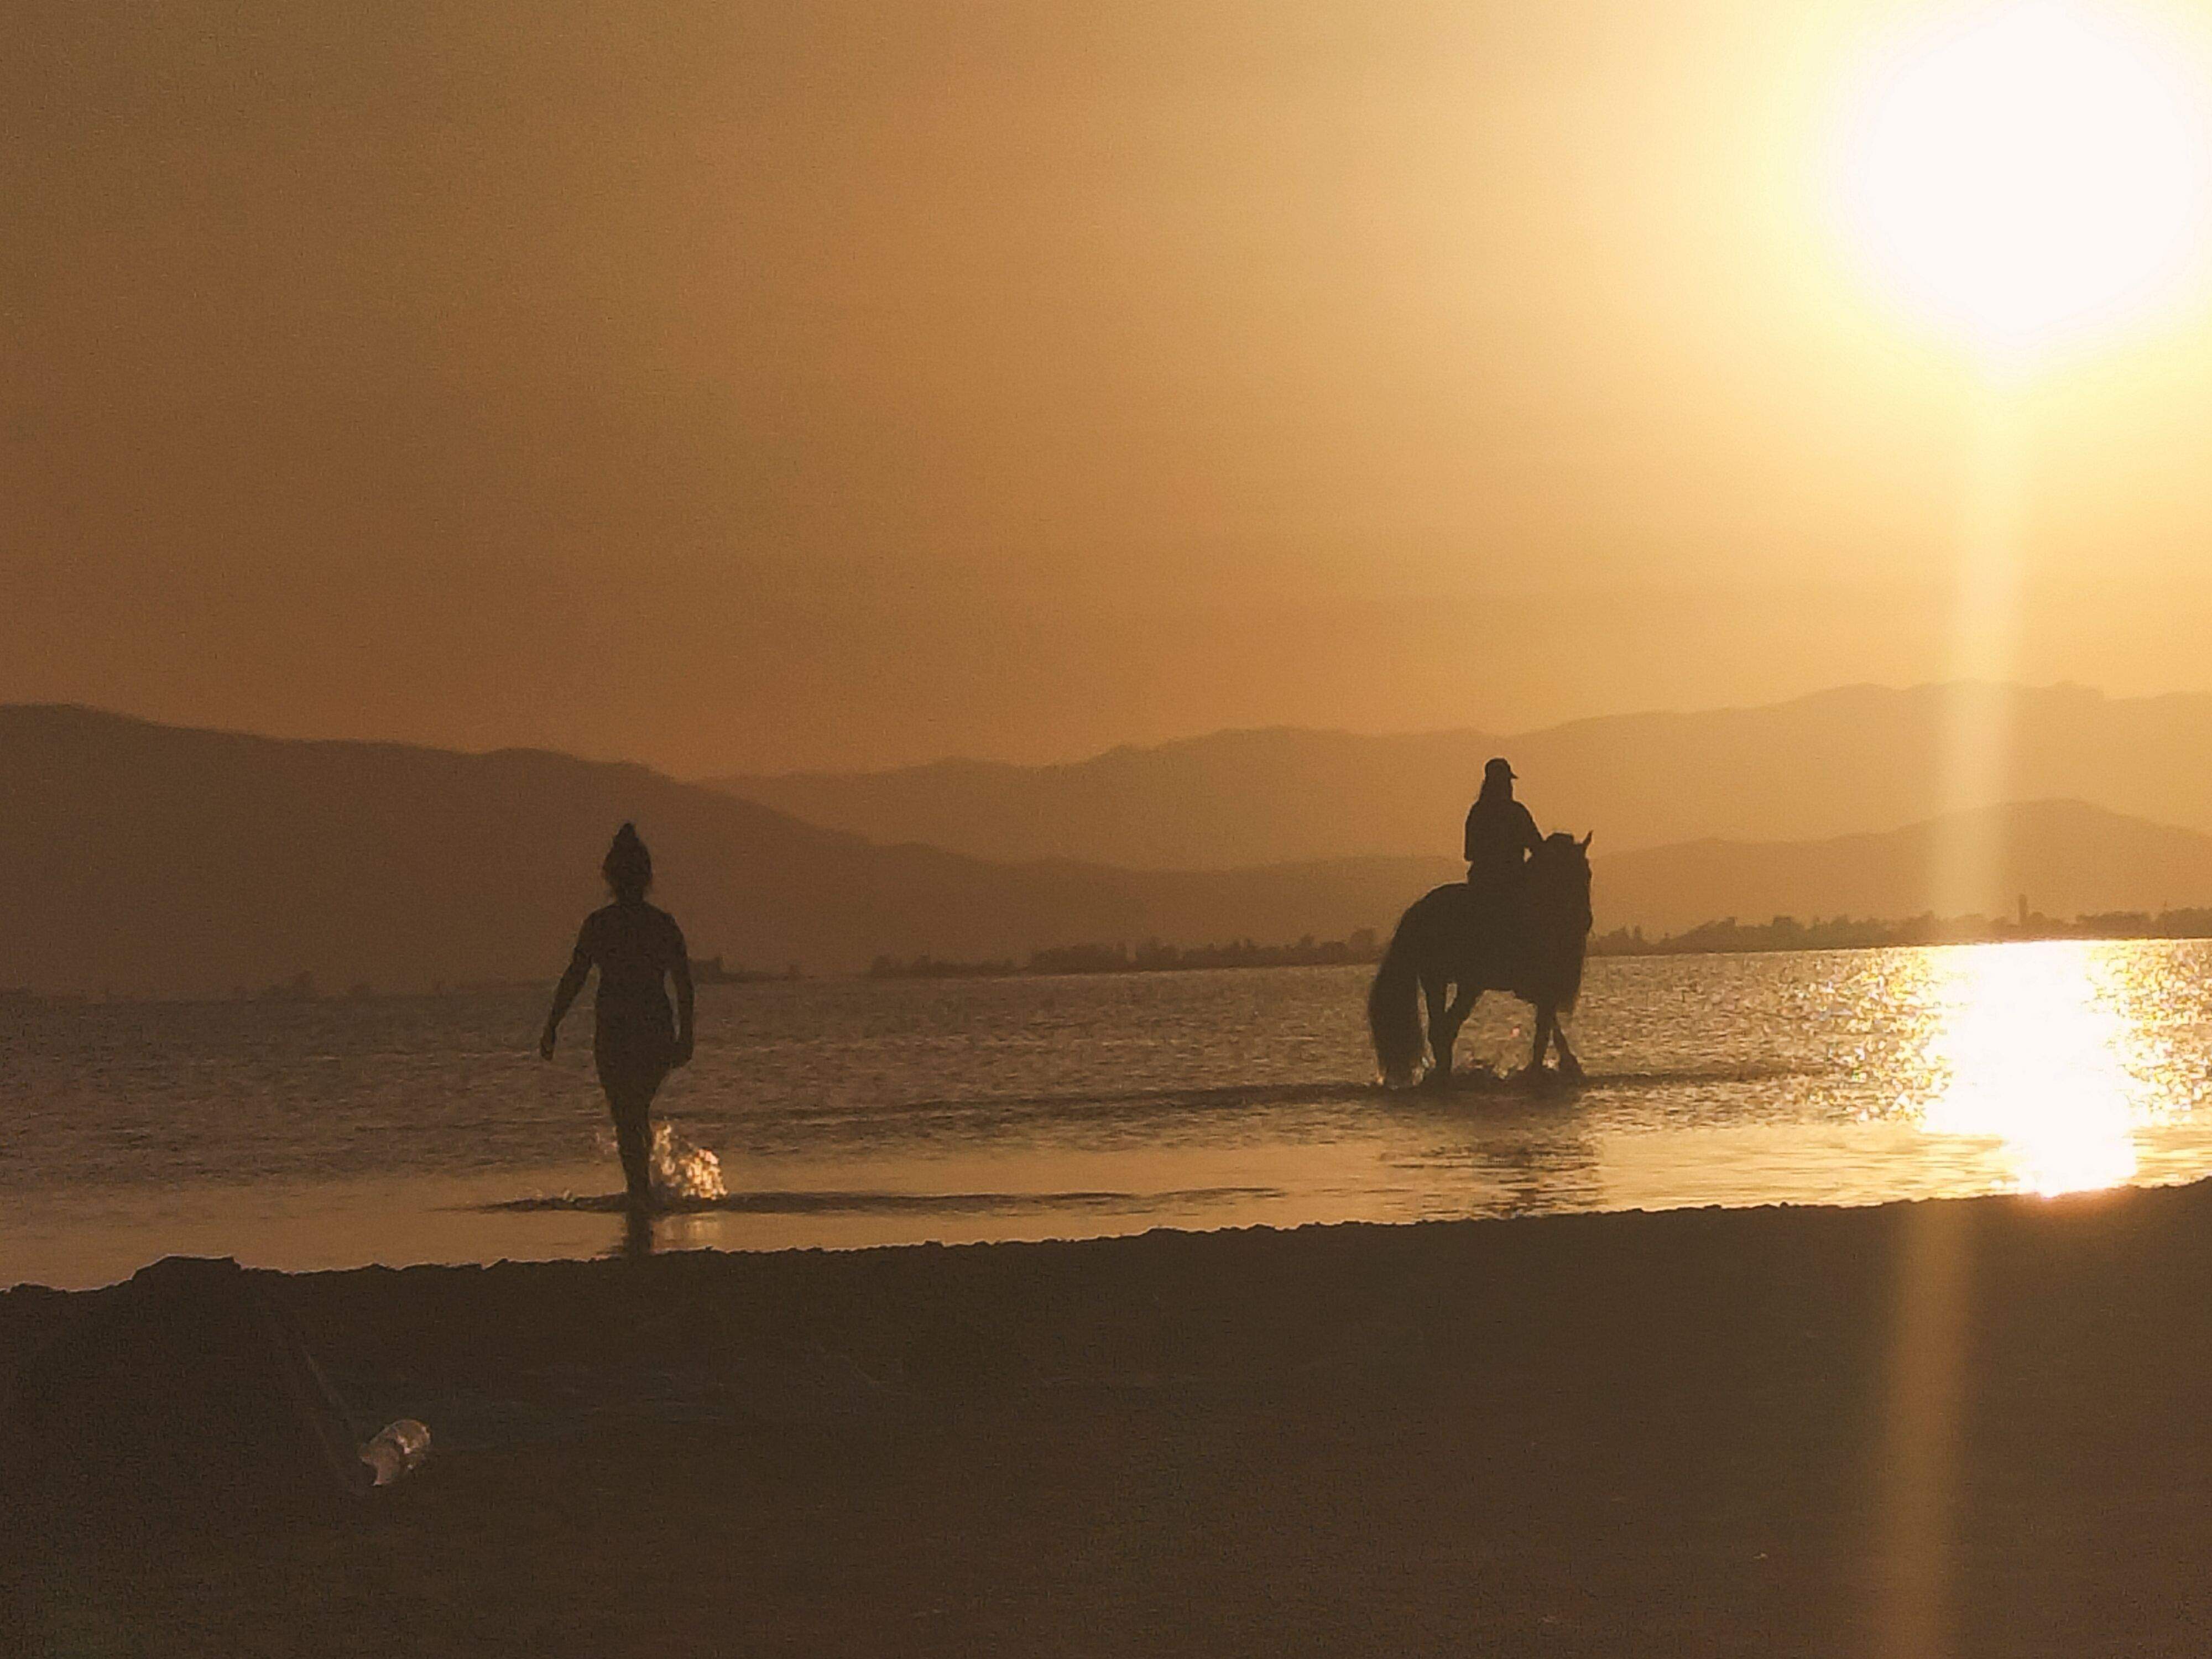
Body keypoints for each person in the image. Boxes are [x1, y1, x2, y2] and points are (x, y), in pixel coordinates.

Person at [540, 823, 695, 1211]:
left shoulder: (606, 925)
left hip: (622, 1030)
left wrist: (553, 1025)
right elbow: (684, 984)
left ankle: (640, 1193)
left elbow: (575, 977)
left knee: (627, 1114)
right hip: (646, 1028)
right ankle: (642, 1192)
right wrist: (686, 1034)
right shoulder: (658, 924)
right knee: (633, 1112)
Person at [1464, 756, 1542, 904]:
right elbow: (1538, 848)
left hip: (1481, 882)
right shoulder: (1517, 812)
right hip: (1514, 882)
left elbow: (1469, 854)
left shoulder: (1478, 812)